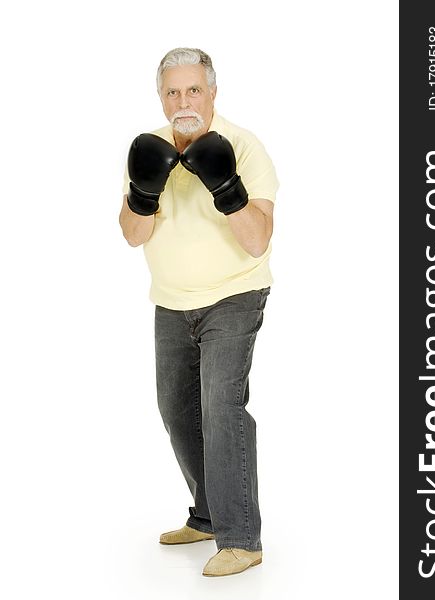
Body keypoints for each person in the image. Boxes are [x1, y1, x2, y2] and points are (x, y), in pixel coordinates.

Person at [119, 47, 279, 577]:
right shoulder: (148, 149)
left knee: (221, 408)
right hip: (170, 300)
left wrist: (227, 189)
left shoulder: (245, 147)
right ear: (160, 96)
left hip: (234, 295)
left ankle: (241, 537)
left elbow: (257, 242)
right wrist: (144, 192)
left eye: (193, 90)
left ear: (212, 91)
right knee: (175, 411)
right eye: (172, 91)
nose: (183, 101)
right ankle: (208, 515)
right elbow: (131, 233)